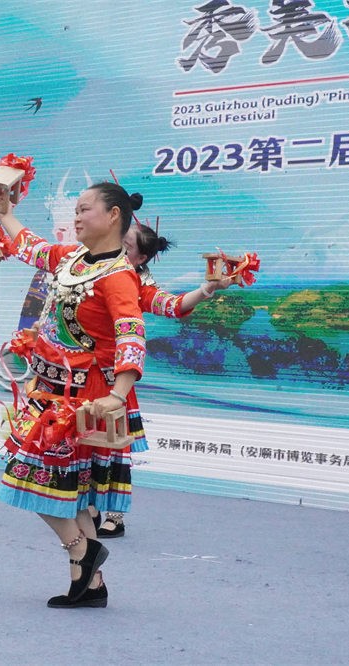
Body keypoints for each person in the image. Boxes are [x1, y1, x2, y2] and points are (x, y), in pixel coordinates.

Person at [0, 181, 146, 609]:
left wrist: (119, 393)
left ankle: (82, 550)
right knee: (68, 490)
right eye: (75, 210)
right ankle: (89, 583)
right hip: (50, 391)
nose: (76, 217)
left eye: (84, 209)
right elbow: (32, 247)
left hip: (81, 397)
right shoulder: (73, 259)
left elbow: (131, 333)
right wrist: (5, 213)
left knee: (33, 477)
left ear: (114, 215)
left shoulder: (118, 276)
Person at [90, 223, 235, 538]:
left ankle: (114, 514)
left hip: (111, 378)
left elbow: (170, 305)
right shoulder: (87, 269)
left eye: (126, 247)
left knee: (115, 448)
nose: (117, 248)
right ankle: (87, 508)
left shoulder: (133, 284)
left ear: (141, 258)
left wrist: (205, 290)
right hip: (79, 372)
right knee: (82, 443)